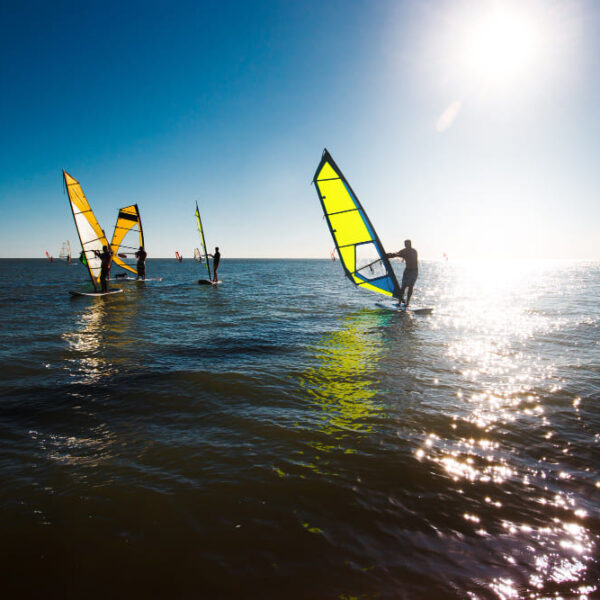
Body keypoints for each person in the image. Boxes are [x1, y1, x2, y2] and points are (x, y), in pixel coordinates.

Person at [387, 239, 418, 308]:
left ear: (410, 244)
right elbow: (397, 253)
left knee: (410, 286)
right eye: (405, 244)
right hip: (407, 270)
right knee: (403, 287)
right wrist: (389, 255)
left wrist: (395, 255)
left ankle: (407, 303)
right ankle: (399, 302)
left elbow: (405, 255)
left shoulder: (413, 251)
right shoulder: (404, 250)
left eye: (407, 244)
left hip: (414, 271)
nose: (406, 245)